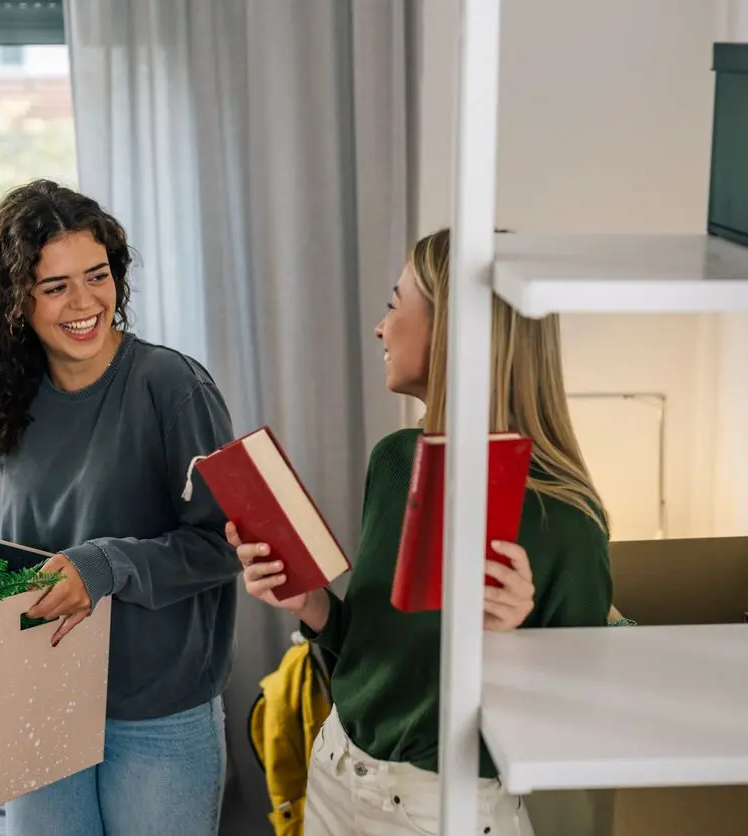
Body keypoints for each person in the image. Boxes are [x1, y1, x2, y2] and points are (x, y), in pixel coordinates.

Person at [0, 180, 240, 836]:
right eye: (55, 286)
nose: (84, 302)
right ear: (16, 300)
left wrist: (102, 565)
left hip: (158, 713)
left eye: (96, 276)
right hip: (36, 698)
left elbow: (226, 542)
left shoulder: (171, 387)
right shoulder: (3, 403)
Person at [228, 227, 613, 836]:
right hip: (333, 770)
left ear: (458, 330)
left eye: (395, 304)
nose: (380, 328)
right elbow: (368, 647)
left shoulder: (564, 520)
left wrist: (514, 643)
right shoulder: (394, 461)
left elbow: (576, 720)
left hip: (441, 809)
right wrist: (311, 602)